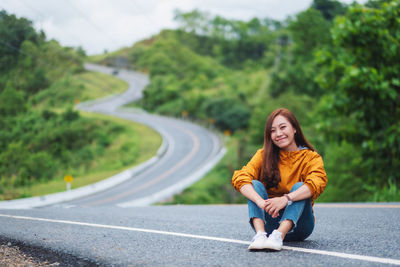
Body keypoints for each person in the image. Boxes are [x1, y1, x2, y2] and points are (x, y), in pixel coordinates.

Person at [231, 108, 327, 251]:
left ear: (294, 128)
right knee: (253, 184)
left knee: (301, 186)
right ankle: (260, 235)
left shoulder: (311, 157)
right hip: (269, 223)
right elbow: (240, 177)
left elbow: (318, 182)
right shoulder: (263, 155)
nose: (278, 134)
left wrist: (286, 199)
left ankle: (279, 236)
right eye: (273, 131)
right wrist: (260, 202)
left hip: (300, 226)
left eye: (283, 127)